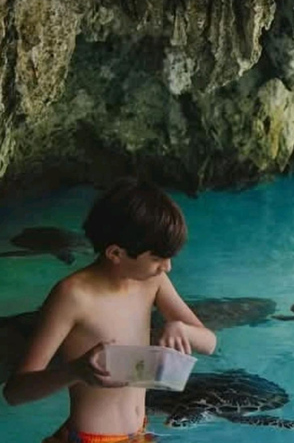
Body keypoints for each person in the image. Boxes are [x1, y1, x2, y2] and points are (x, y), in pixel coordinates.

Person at [2, 177, 217, 442]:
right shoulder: (73, 296)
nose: (168, 267)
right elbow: (15, 392)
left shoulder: (153, 281)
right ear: (116, 253)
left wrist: (181, 329)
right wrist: (75, 371)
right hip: (91, 437)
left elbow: (209, 343)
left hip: (140, 432)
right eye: (157, 258)